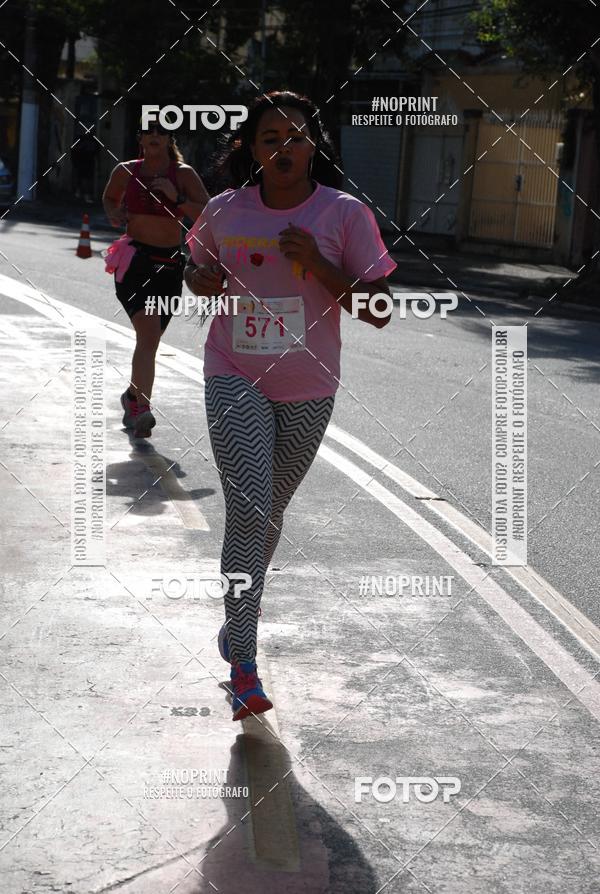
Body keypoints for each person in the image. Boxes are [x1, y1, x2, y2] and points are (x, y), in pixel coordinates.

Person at [185, 91, 397, 721]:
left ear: (314, 146)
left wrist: (319, 265)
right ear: (249, 148)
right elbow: (196, 270)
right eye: (270, 137)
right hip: (235, 372)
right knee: (249, 508)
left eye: (297, 137)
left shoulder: (344, 215)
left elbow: (380, 311)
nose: (285, 148)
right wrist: (203, 280)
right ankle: (243, 663)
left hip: (308, 386)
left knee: (269, 513)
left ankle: (235, 621)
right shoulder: (224, 210)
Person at [102, 119, 209, 437]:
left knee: (151, 340)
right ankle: (141, 409)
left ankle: (132, 396)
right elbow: (110, 198)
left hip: (169, 266)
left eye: (160, 132)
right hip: (134, 263)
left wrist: (177, 198)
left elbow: (208, 213)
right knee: (148, 336)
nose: (153, 136)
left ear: (168, 139)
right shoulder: (125, 170)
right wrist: (114, 213)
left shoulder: (184, 174)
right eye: (147, 131)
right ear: (140, 138)